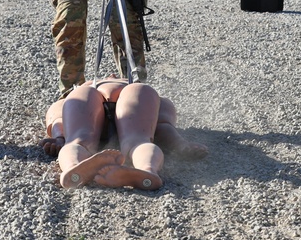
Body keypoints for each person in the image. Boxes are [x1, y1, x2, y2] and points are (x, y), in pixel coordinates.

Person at [40, 77, 207, 190]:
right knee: (139, 141)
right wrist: (180, 143)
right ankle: (148, 171)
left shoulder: (85, 86)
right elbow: (163, 124)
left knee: (77, 141)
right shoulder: (131, 83)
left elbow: (57, 114)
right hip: (133, 91)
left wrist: (59, 136)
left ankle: (73, 168)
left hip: (88, 93)